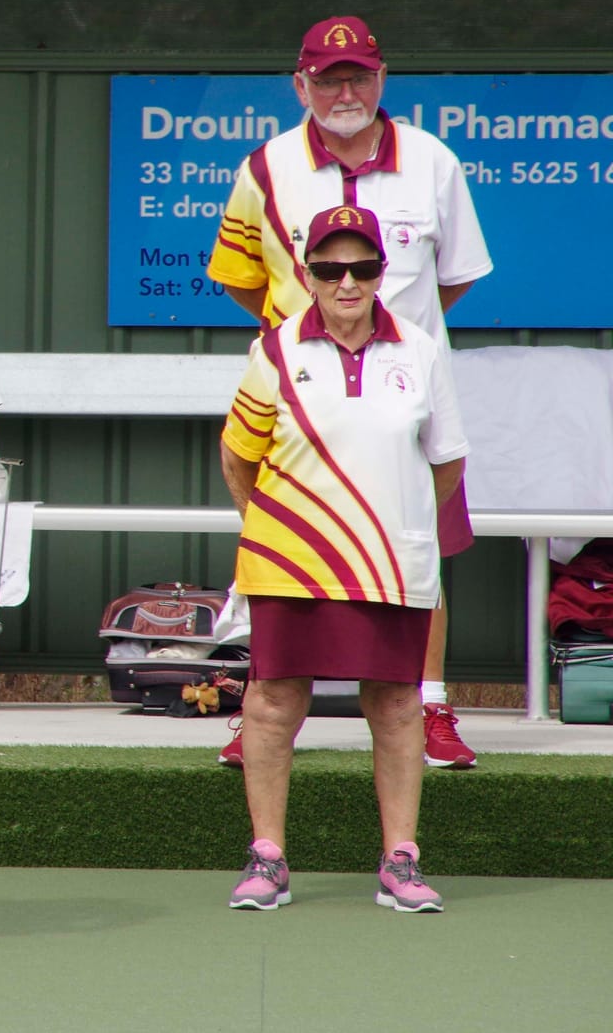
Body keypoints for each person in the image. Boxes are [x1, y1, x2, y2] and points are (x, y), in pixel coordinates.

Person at [208, 15, 492, 770]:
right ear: (299, 83)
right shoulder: (264, 168)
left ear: (382, 78)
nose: (344, 90)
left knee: (422, 544)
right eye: (328, 78)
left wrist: (397, 340)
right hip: (302, 397)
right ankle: (262, 711)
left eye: (358, 75)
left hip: (402, 392)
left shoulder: (433, 161)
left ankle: (430, 703)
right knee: (282, 550)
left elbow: (455, 276)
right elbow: (242, 282)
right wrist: (311, 333)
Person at [220, 205, 465, 914]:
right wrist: (276, 526)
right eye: (329, 268)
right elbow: (239, 455)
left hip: (391, 563)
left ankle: (401, 860)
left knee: (395, 704)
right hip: (289, 561)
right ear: (308, 273)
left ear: (382, 273)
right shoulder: (274, 349)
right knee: (271, 703)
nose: (346, 281)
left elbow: (444, 463)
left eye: (361, 267)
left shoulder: (420, 348)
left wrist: (394, 517)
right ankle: (267, 857)